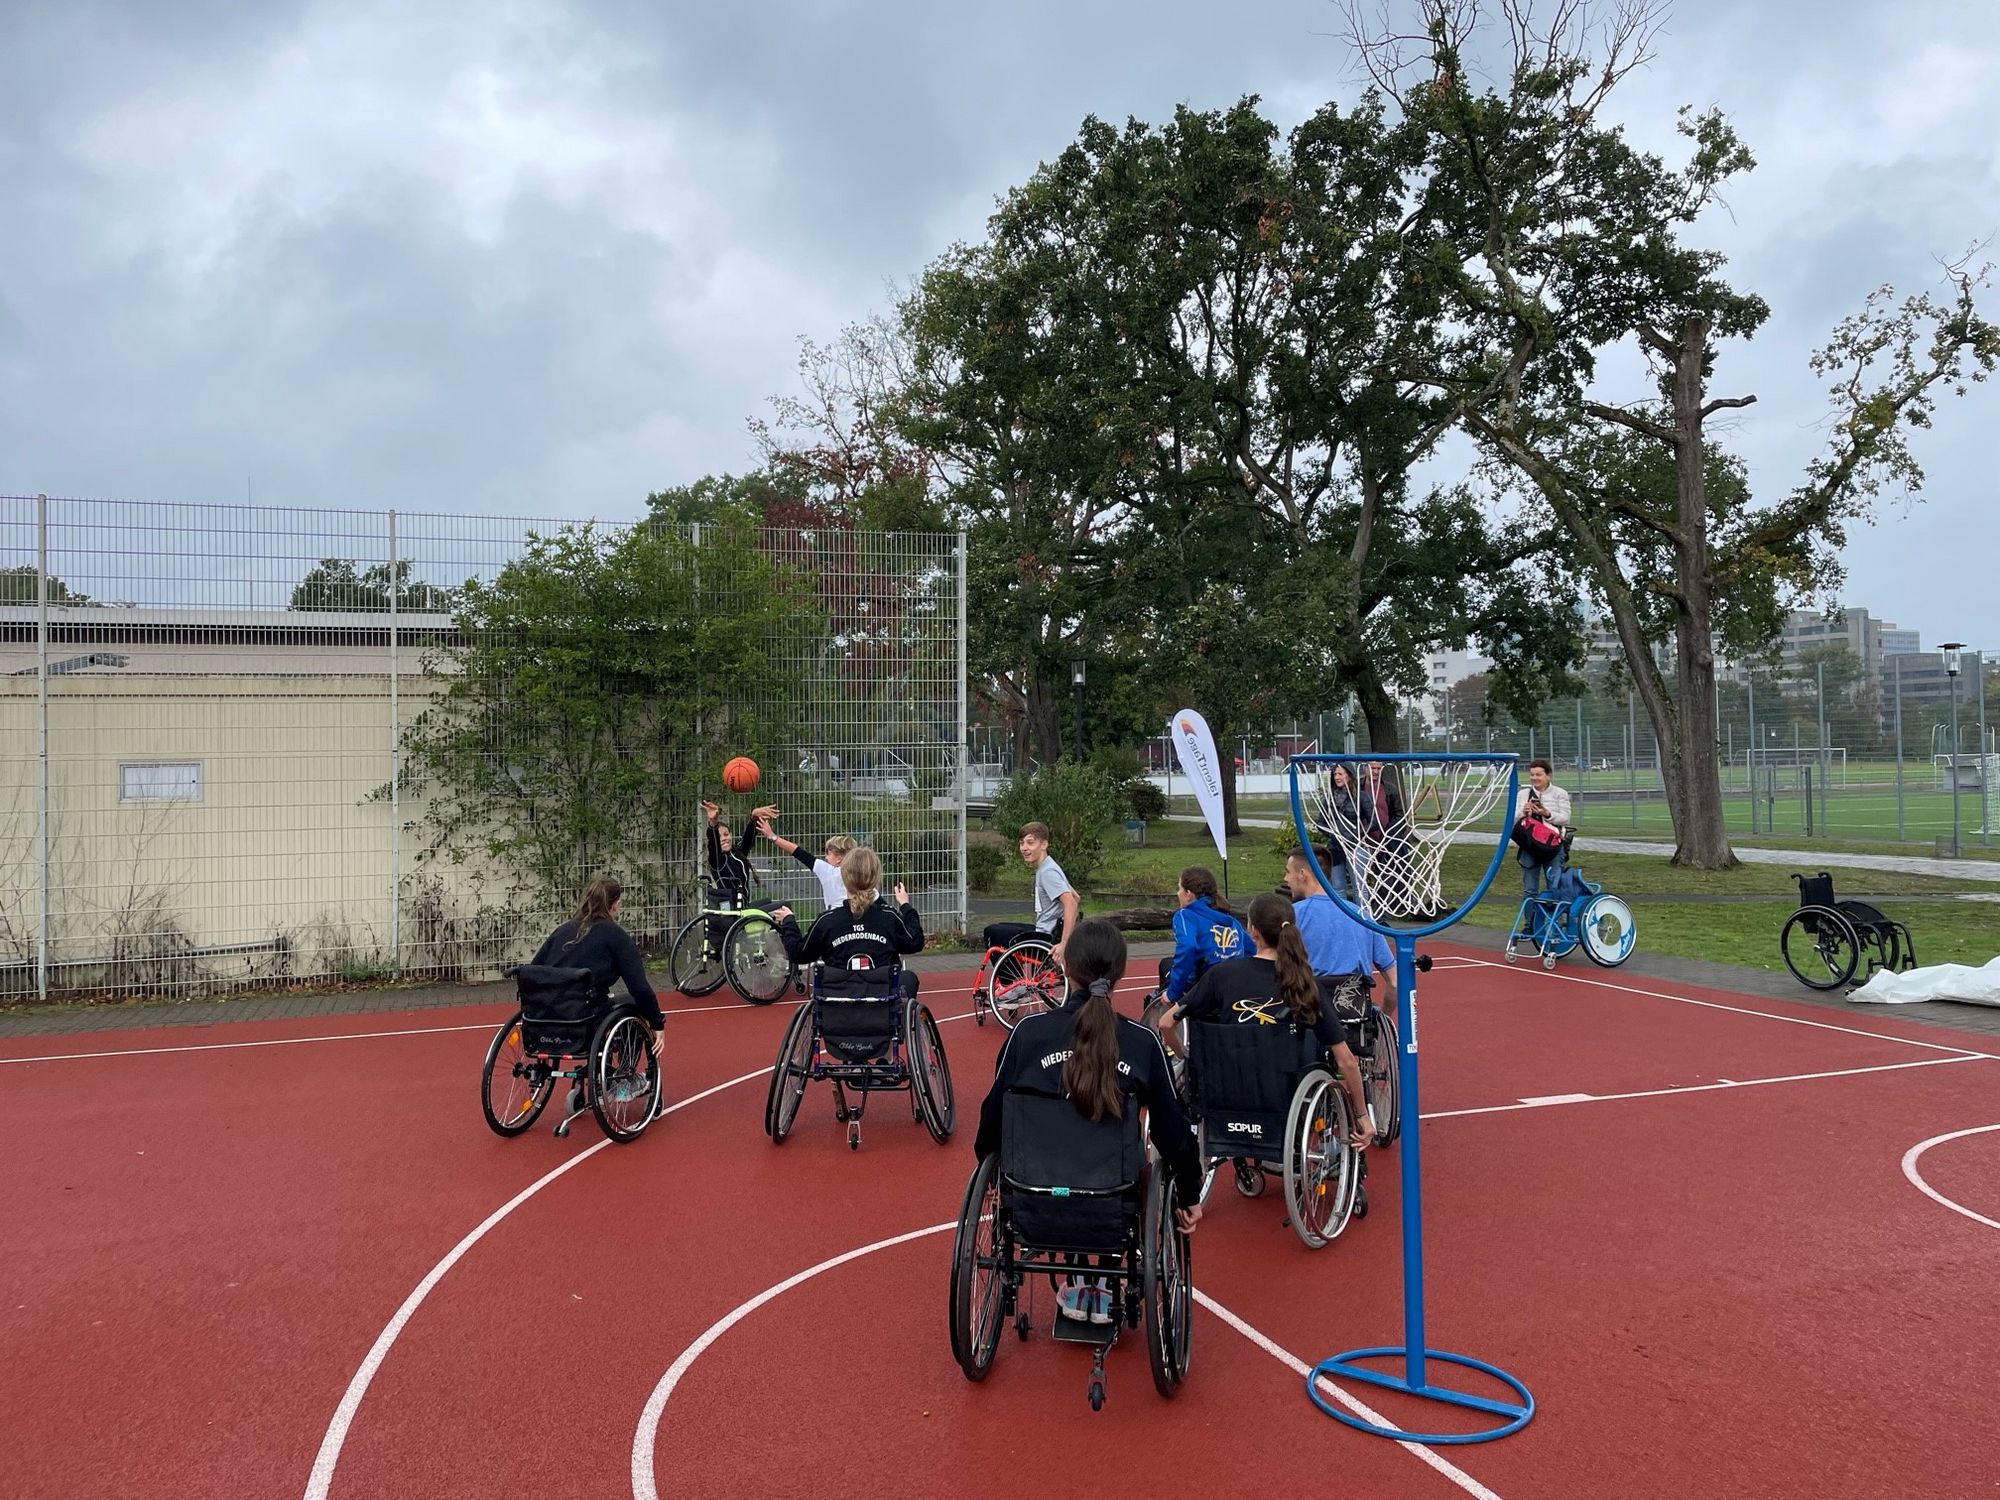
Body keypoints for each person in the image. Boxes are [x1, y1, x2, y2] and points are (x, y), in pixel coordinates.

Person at [976, 918, 1203, 1324]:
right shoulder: (1141, 1042)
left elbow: (992, 1116)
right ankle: (1099, 1280)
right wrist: (1188, 1194)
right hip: (1113, 1200)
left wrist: (988, 1165)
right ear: (1119, 974)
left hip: (1032, 1196)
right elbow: (1173, 1133)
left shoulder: (1027, 1035)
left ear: (1066, 969)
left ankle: (1079, 1278)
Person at [1155, 892, 1373, 1153]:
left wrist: (1186, 1058)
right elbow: (1346, 1061)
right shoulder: (1305, 985)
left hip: (1224, 1094)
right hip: (1282, 1099)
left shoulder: (1221, 975)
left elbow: (1166, 1023)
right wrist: (1362, 1116)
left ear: (1253, 931)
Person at [530, 877, 666, 1056]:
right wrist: (657, 1023)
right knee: (632, 1002)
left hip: (546, 1015)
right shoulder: (616, 936)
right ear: (615, 905)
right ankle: (626, 1067)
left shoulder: (562, 931)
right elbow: (640, 988)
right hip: (585, 1017)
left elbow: (534, 970)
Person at [772, 846, 925, 996]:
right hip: (882, 1001)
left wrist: (789, 921)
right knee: (908, 978)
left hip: (836, 1001)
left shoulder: (827, 920)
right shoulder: (889, 917)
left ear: (844, 878)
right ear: (875, 878)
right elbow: (915, 942)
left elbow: (798, 954)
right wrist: (905, 906)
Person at [979, 822, 1080, 968]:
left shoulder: (1047, 872)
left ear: (1044, 844)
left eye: (1030, 843)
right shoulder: (1049, 866)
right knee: (1001, 927)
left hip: (1044, 938)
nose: (1024, 848)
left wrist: (1064, 944)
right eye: (1022, 843)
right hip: (1047, 932)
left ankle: (1010, 980)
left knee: (992, 932)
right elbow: (1076, 897)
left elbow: (1071, 903)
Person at [1155, 866, 1249, 1006]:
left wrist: (1173, 993)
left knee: (1166, 964)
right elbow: (1252, 949)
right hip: (1233, 985)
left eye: (1179, 888)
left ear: (1188, 894)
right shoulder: (1231, 920)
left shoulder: (1185, 915)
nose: (1177, 893)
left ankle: (1167, 1011)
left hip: (1203, 987)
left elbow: (1187, 947)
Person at [754, 815, 857, 910]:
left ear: (839, 858)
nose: (826, 858)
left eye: (828, 854)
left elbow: (799, 852)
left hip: (835, 917)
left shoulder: (829, 872)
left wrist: (772, 836)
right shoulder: (861, 873)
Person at [1513, 758, 1573, 902]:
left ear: (1548, 775)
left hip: (1552, 846)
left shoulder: (1560, 793)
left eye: (1538, 774)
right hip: (1529, 845)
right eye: (1532, 774)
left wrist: (1547, 814)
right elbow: (1513, 818)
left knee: (1554, 886)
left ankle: (1555, 916)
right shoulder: (1523, 794)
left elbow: (1565, 818)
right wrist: (1523, 811)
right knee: (1530, 890)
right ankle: (1530, 917)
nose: (1534, 778)